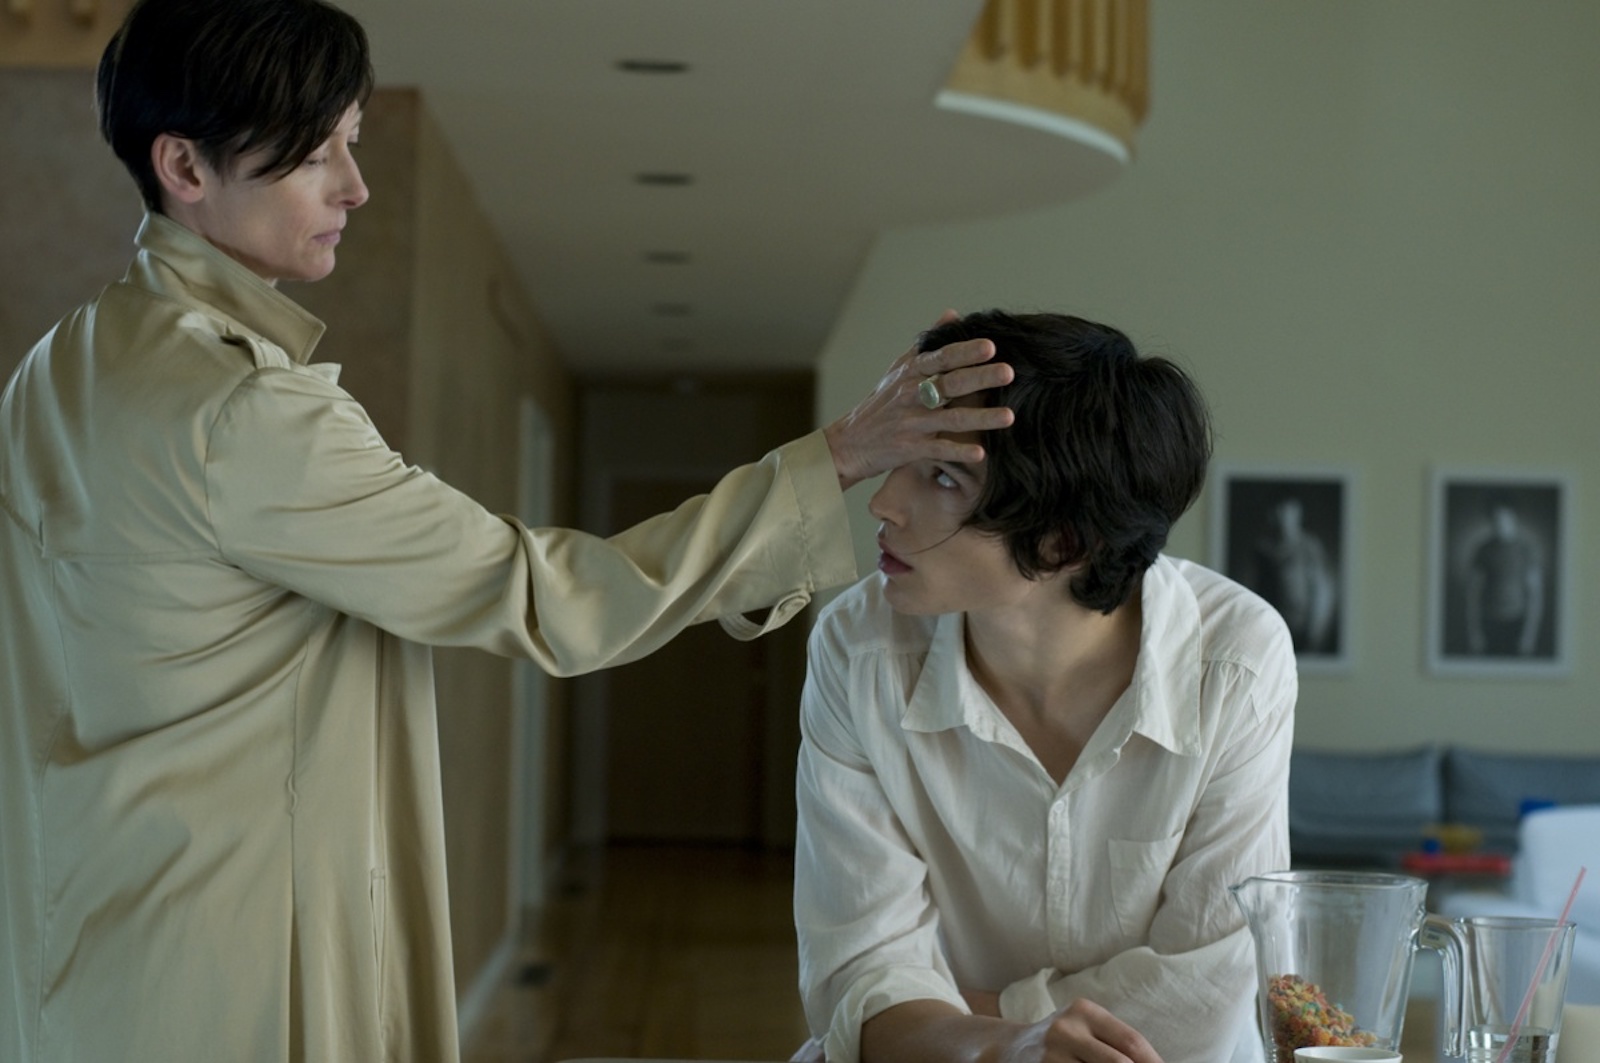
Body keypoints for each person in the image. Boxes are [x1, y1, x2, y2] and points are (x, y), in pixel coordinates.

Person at [0, 2, 1014, 1060]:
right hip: (233, 970)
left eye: (353, 142)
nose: (354, 186)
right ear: (184, 166)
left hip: (81, 953)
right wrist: (838, 457)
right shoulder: (242, 412)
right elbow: (546, 597)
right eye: (315, 155)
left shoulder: (58, 369)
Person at [793, 310, 1297, 1063]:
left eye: (942, 476)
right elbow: (854, 985)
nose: (882, 502)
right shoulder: (857, 648)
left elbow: (1209, 1000)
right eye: (906, 461)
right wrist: (1008, 1043)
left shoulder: (1235, 660)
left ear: (1064, 541)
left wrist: (953, 1018)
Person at [1247, 493, 1337, 653]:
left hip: (1302, 629)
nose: (1284, 518)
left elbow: (1322, 593)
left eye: (1289, 512)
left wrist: (1315, 632)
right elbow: (1255, 591)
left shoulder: (1310, 548)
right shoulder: (1262, 550)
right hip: (1270, 630)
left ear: (1298, 514)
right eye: (1279, 512)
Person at [1461, 496, 1544, 657]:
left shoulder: (1526, 550)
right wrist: (1474, 633)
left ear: (1514, 517)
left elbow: (1536, 595)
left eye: (1505, 518)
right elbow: (1472, 594)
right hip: (1488, 621)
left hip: (1518, 622)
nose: (1500, 523)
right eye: (1496, 519)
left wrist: (1529, 636)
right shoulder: (1484, 549)